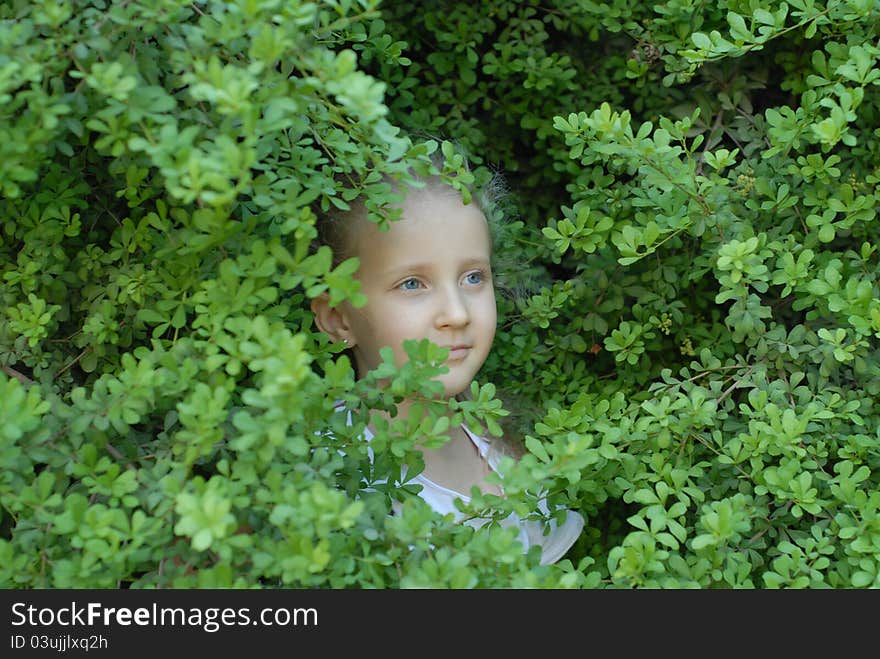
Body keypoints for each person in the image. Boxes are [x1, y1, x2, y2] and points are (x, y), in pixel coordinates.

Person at [310, 161, 584, 565]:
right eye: (412, 284)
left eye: (473, 277)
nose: (457, 314)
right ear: (339, 318)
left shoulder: (507, 455)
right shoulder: (330, 474)